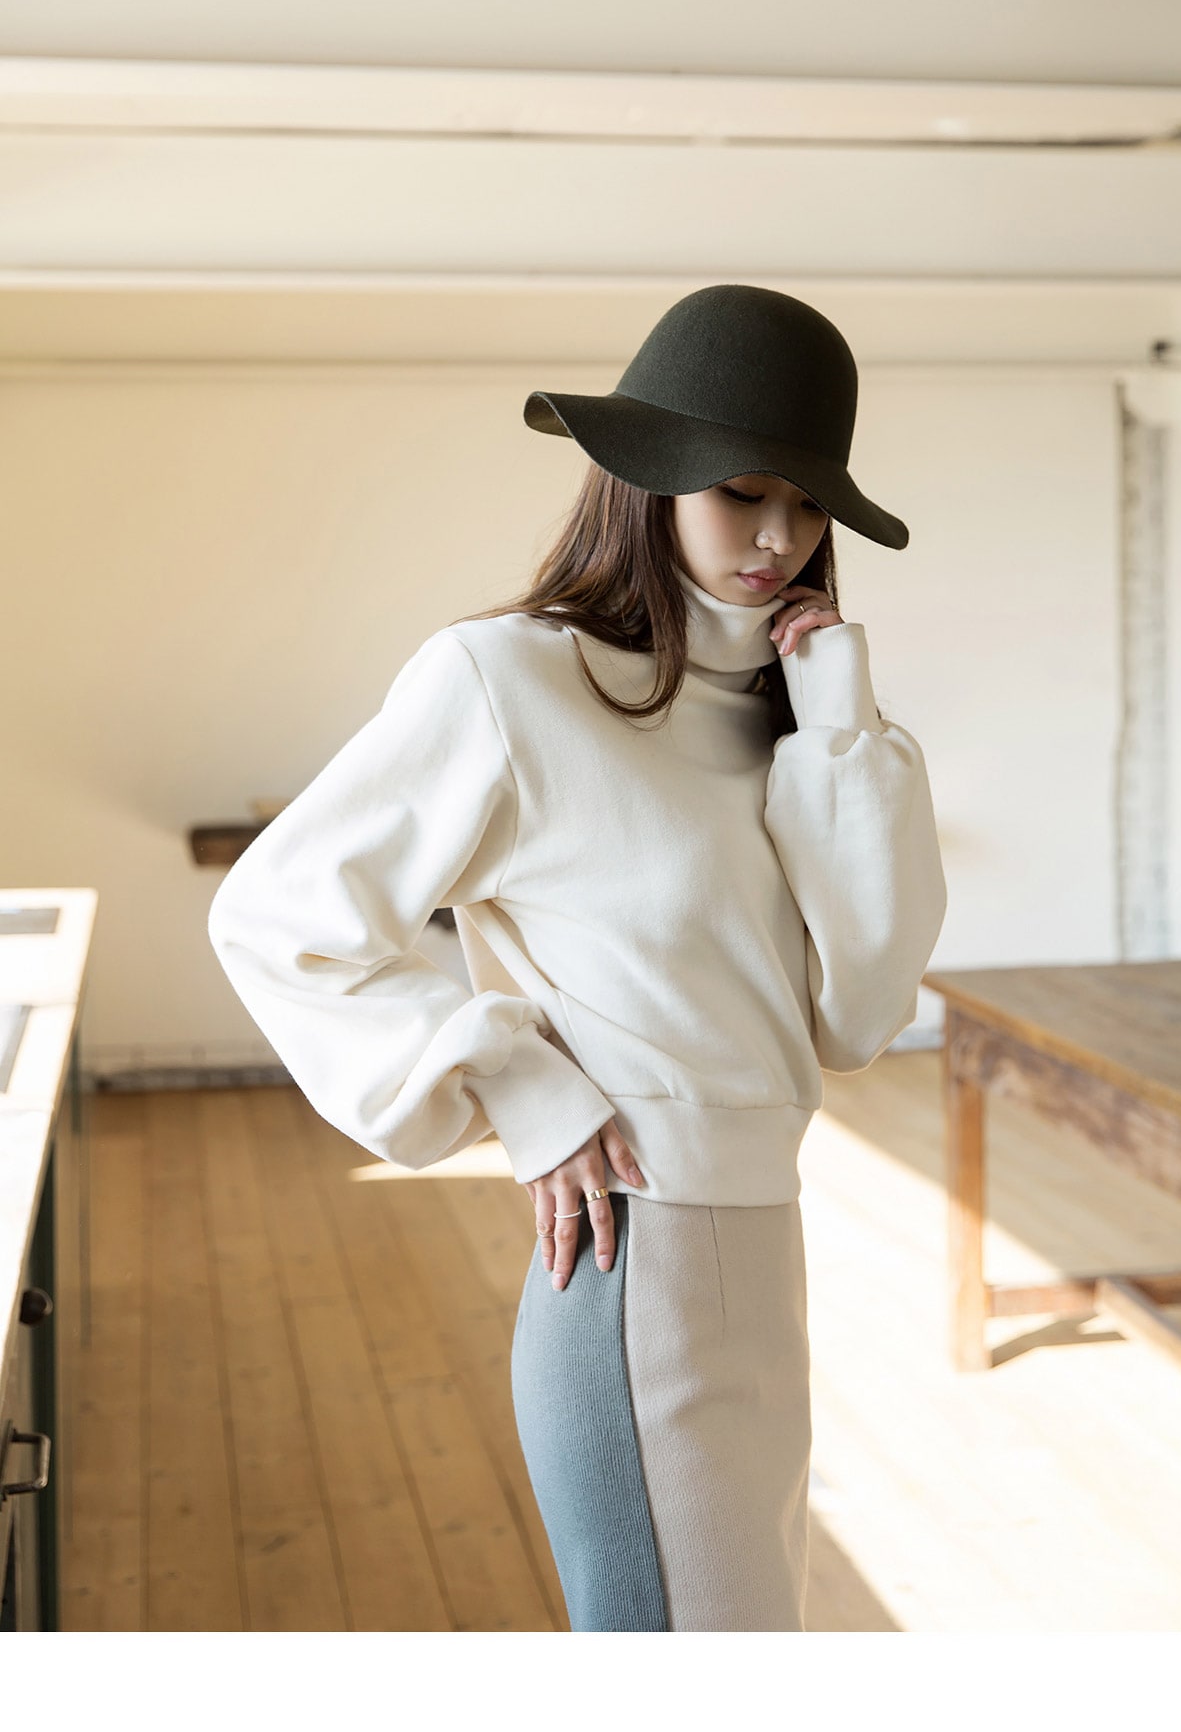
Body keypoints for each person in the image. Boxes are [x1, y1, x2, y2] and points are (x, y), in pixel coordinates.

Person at [207, 283, 948, 1634]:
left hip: (764, 1250)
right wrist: (520, 1084)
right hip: (633, 1257)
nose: (778, 538)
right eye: (742, 492)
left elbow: (857, 1012)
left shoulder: (790, 720)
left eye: (807, 506)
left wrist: (838, 721)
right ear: (647, 482)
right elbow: (277, 920)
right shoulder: (506, 680)